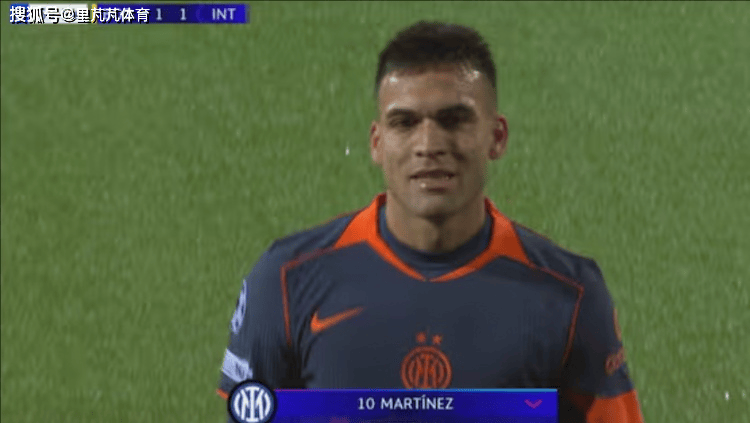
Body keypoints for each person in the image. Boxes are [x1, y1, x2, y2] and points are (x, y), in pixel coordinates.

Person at [217, 21, 644, 422]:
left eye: (453, 120)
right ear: (377, 143)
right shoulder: (286, 282)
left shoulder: (569, 295)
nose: (429, 144)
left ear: (496, 137)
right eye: (404, 123)